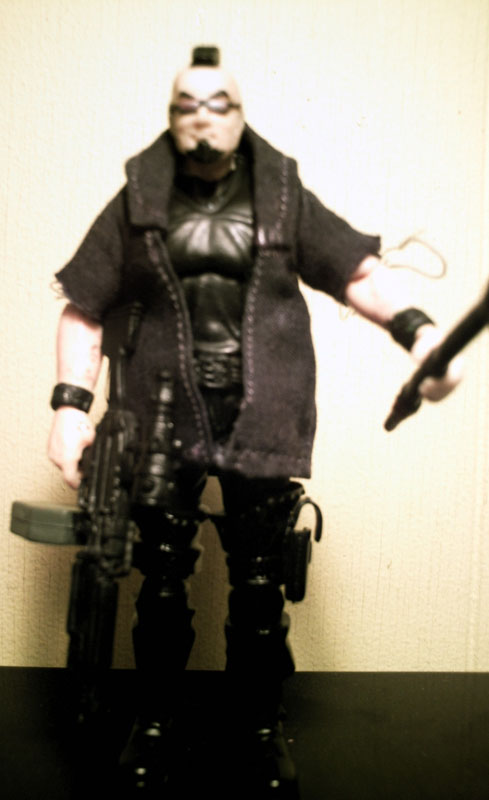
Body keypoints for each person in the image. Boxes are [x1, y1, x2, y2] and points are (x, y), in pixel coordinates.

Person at [47, 47, 460, 795]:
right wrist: (71, 410)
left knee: (261, 583)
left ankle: (259, 727)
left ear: (240, 114)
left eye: (218, 105)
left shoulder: (281, 194)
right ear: (171, 115)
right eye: (187, 106)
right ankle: (156, 720)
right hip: (162, 414)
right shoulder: (138, 198)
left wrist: (420, 333)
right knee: (160, 579)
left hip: (263, 410)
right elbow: (84, 304)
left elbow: (355, 272)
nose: (202, 120)